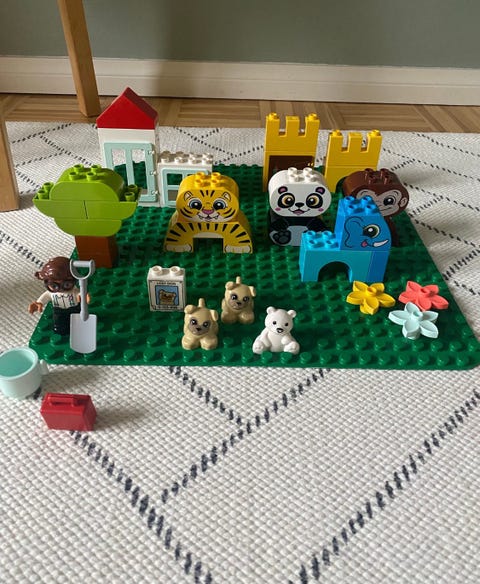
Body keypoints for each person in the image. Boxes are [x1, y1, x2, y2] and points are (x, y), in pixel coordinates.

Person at [28, 257, 81, 335]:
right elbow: (46, 296)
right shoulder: (51, 293)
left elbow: (79, 293)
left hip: (74, 309)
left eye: (66, 284)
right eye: (54, 285)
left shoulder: (73, 291)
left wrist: (84, 296)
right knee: (59, 325)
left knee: (77, 322)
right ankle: (61, 329)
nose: (60, 289)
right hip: (58, 310)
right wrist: (39, 303)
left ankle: (77, 327)